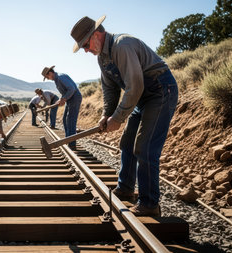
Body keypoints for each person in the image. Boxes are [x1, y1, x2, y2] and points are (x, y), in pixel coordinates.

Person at [71, 15, 178, 216]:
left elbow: (135, 85)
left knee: (145, 148)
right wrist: (106, 115)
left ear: (96, 35)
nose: (86, 50)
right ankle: (126, 189)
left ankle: (149, 204)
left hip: (161, 91)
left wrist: (118, 118)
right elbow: (110, 91)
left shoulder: (122, 45)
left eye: (85, 45)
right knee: (127, 143)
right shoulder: (102, 58)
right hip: (142, 97)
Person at [42, 66, 82, 149]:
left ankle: (72, 144)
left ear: (50, 73)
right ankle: (68, 140)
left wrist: (64, 98)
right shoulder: (57, 80)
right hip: (70, 99)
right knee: (65, 119)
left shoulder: (60, 77)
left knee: (71, 120)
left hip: (74, 98)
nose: (48, 79)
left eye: (47, 77)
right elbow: (66, 91)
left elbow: (72, 88)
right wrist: (61, 99)